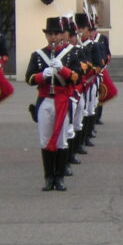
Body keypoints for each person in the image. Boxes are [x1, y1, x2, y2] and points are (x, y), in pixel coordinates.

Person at [25, 17, 83, 192]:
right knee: (45, 139)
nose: (52, 37)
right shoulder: (38, 55)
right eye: (49, 34)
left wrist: (63, 70)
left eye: (55, 34)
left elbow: (78, 77)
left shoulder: (71, 54)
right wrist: (42, 75)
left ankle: (60, 177)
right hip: (45, 100)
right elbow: (29, 78)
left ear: (61, 35)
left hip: (62, 100)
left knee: (61, 140)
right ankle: (48, 177)